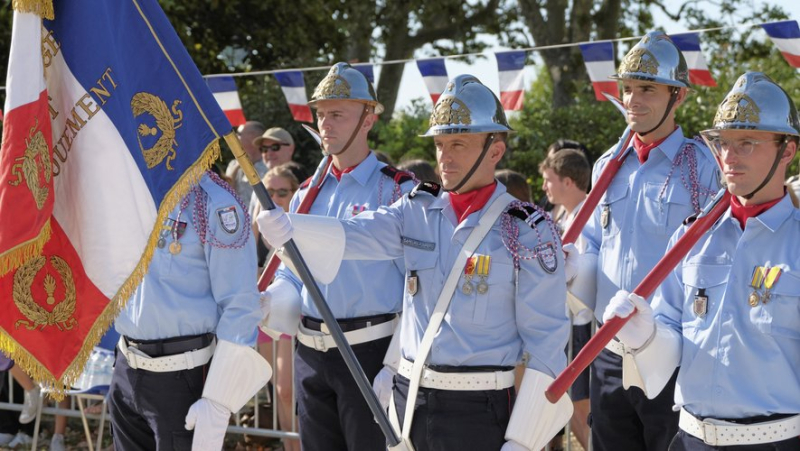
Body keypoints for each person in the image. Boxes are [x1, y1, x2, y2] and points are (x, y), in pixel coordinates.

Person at [258, 74, 573, 451]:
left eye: (458, 143)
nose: (445, 157)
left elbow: (548, 342)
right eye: (440, 144)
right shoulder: (416, 210)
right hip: (410, 401)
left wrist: (525, 439)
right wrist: (294, 226)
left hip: (478, 405)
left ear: (495, 151)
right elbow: (357, 233)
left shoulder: (528, 230)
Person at [603, 72, 800, 450]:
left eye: (746, 143)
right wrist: (644, 336)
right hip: (690, 439)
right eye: (723, 143)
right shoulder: (691, 239)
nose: (729, 157)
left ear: (787, 150)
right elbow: (670, 344)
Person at [573, 31, 721, 451]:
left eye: (648, 89)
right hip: (608, 350)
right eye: (629, 88)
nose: (633, 99)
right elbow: (591, 249)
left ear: (678, 97)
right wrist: (571, 267)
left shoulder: (705, 166)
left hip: (671, 348)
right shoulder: (607, 165)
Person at [259, 62, 414, 451]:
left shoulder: (397, 191)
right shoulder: (306, 193)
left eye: (338, 114)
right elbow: (293, 274)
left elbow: (418, 287)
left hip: (370, 351)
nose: (325, 124)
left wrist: (395, 363)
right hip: (310, 352)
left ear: (368, 119)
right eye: (322, 114)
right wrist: (269, 300)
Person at [108, 170, 271, 450]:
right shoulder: (131, 187)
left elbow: (240, 305)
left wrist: (218, 399)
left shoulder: (216, 202)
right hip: (126, 367)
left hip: (182, 377)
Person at [539, 147, 593, 450]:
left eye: (550, 180)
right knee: (572, 404)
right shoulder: (564, 215)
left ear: (568, 182)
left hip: (582, 324)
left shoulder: (590, 218)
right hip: (566, 323)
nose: (545, 187)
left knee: (580, 405)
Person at [251, 164, 301, 451]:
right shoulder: (255, 227)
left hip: (290, 312)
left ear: (294, 193)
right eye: (268, 192)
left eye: (282, 192)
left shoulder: (297, 224)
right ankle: (288, 446)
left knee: (286, 389)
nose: (275, 197)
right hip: (263, 311)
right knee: (276, 389)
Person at [226, 121, 268, 202]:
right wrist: (239, 165)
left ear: (254, 137)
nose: (235, 137)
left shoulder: (270, 163)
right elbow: (226, 191)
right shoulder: (233, 164)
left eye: (239, 133)